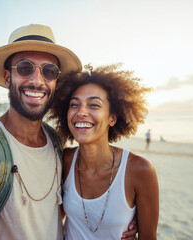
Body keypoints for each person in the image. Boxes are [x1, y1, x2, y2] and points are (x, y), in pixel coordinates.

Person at [0, 24, 137, 240]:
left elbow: (52, 213)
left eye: (49, 71)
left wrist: (118, 219)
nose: (37, 80)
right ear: (7, 78)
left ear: (55, 81)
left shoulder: (56, 143)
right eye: (25, 68)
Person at [49, 64, 159, 239]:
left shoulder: (140, 170)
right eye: (74, 104)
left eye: (94, 105)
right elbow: (56, 220)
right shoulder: (66, 160)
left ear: (112, 118)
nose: (81, 112)